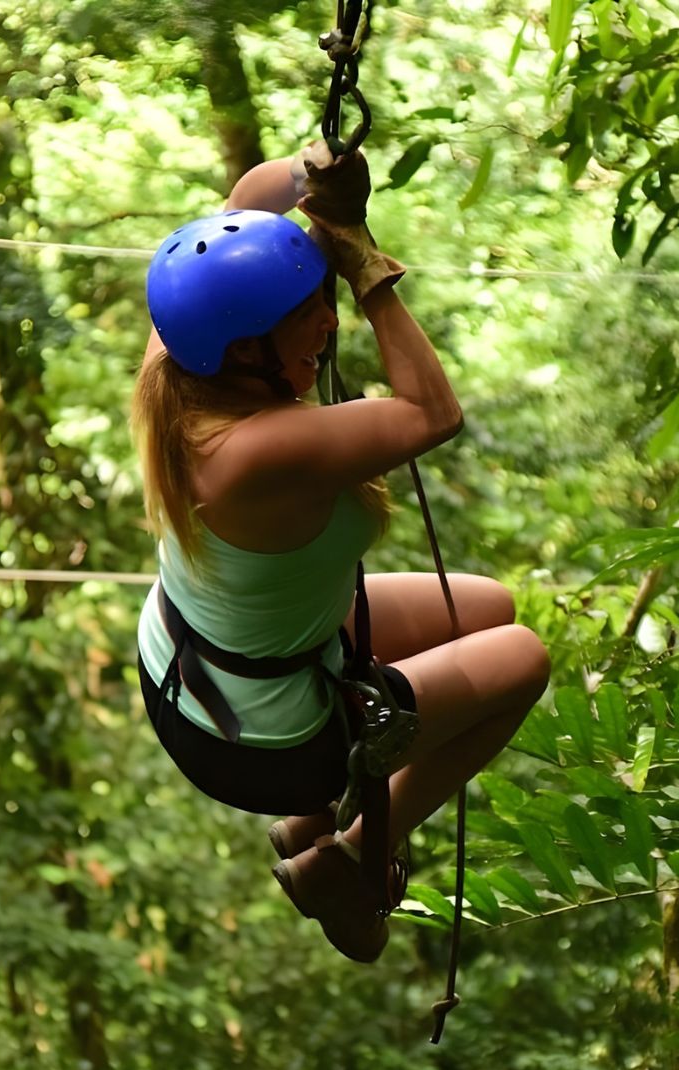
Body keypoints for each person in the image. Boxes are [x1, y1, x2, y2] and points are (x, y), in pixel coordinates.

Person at [131, 142, 550, 963]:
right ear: (247, 349)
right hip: (255, 739)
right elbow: (431, 413)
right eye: (304, 319)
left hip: (195, 663)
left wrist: (308, 171)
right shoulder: (253, 452)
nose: (326, 324)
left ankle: (306, 826)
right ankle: (351, 851)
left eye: (318, 302)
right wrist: (361, 264)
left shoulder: (182, 356)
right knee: (523, 658)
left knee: (490, 608)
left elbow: (251, 197)